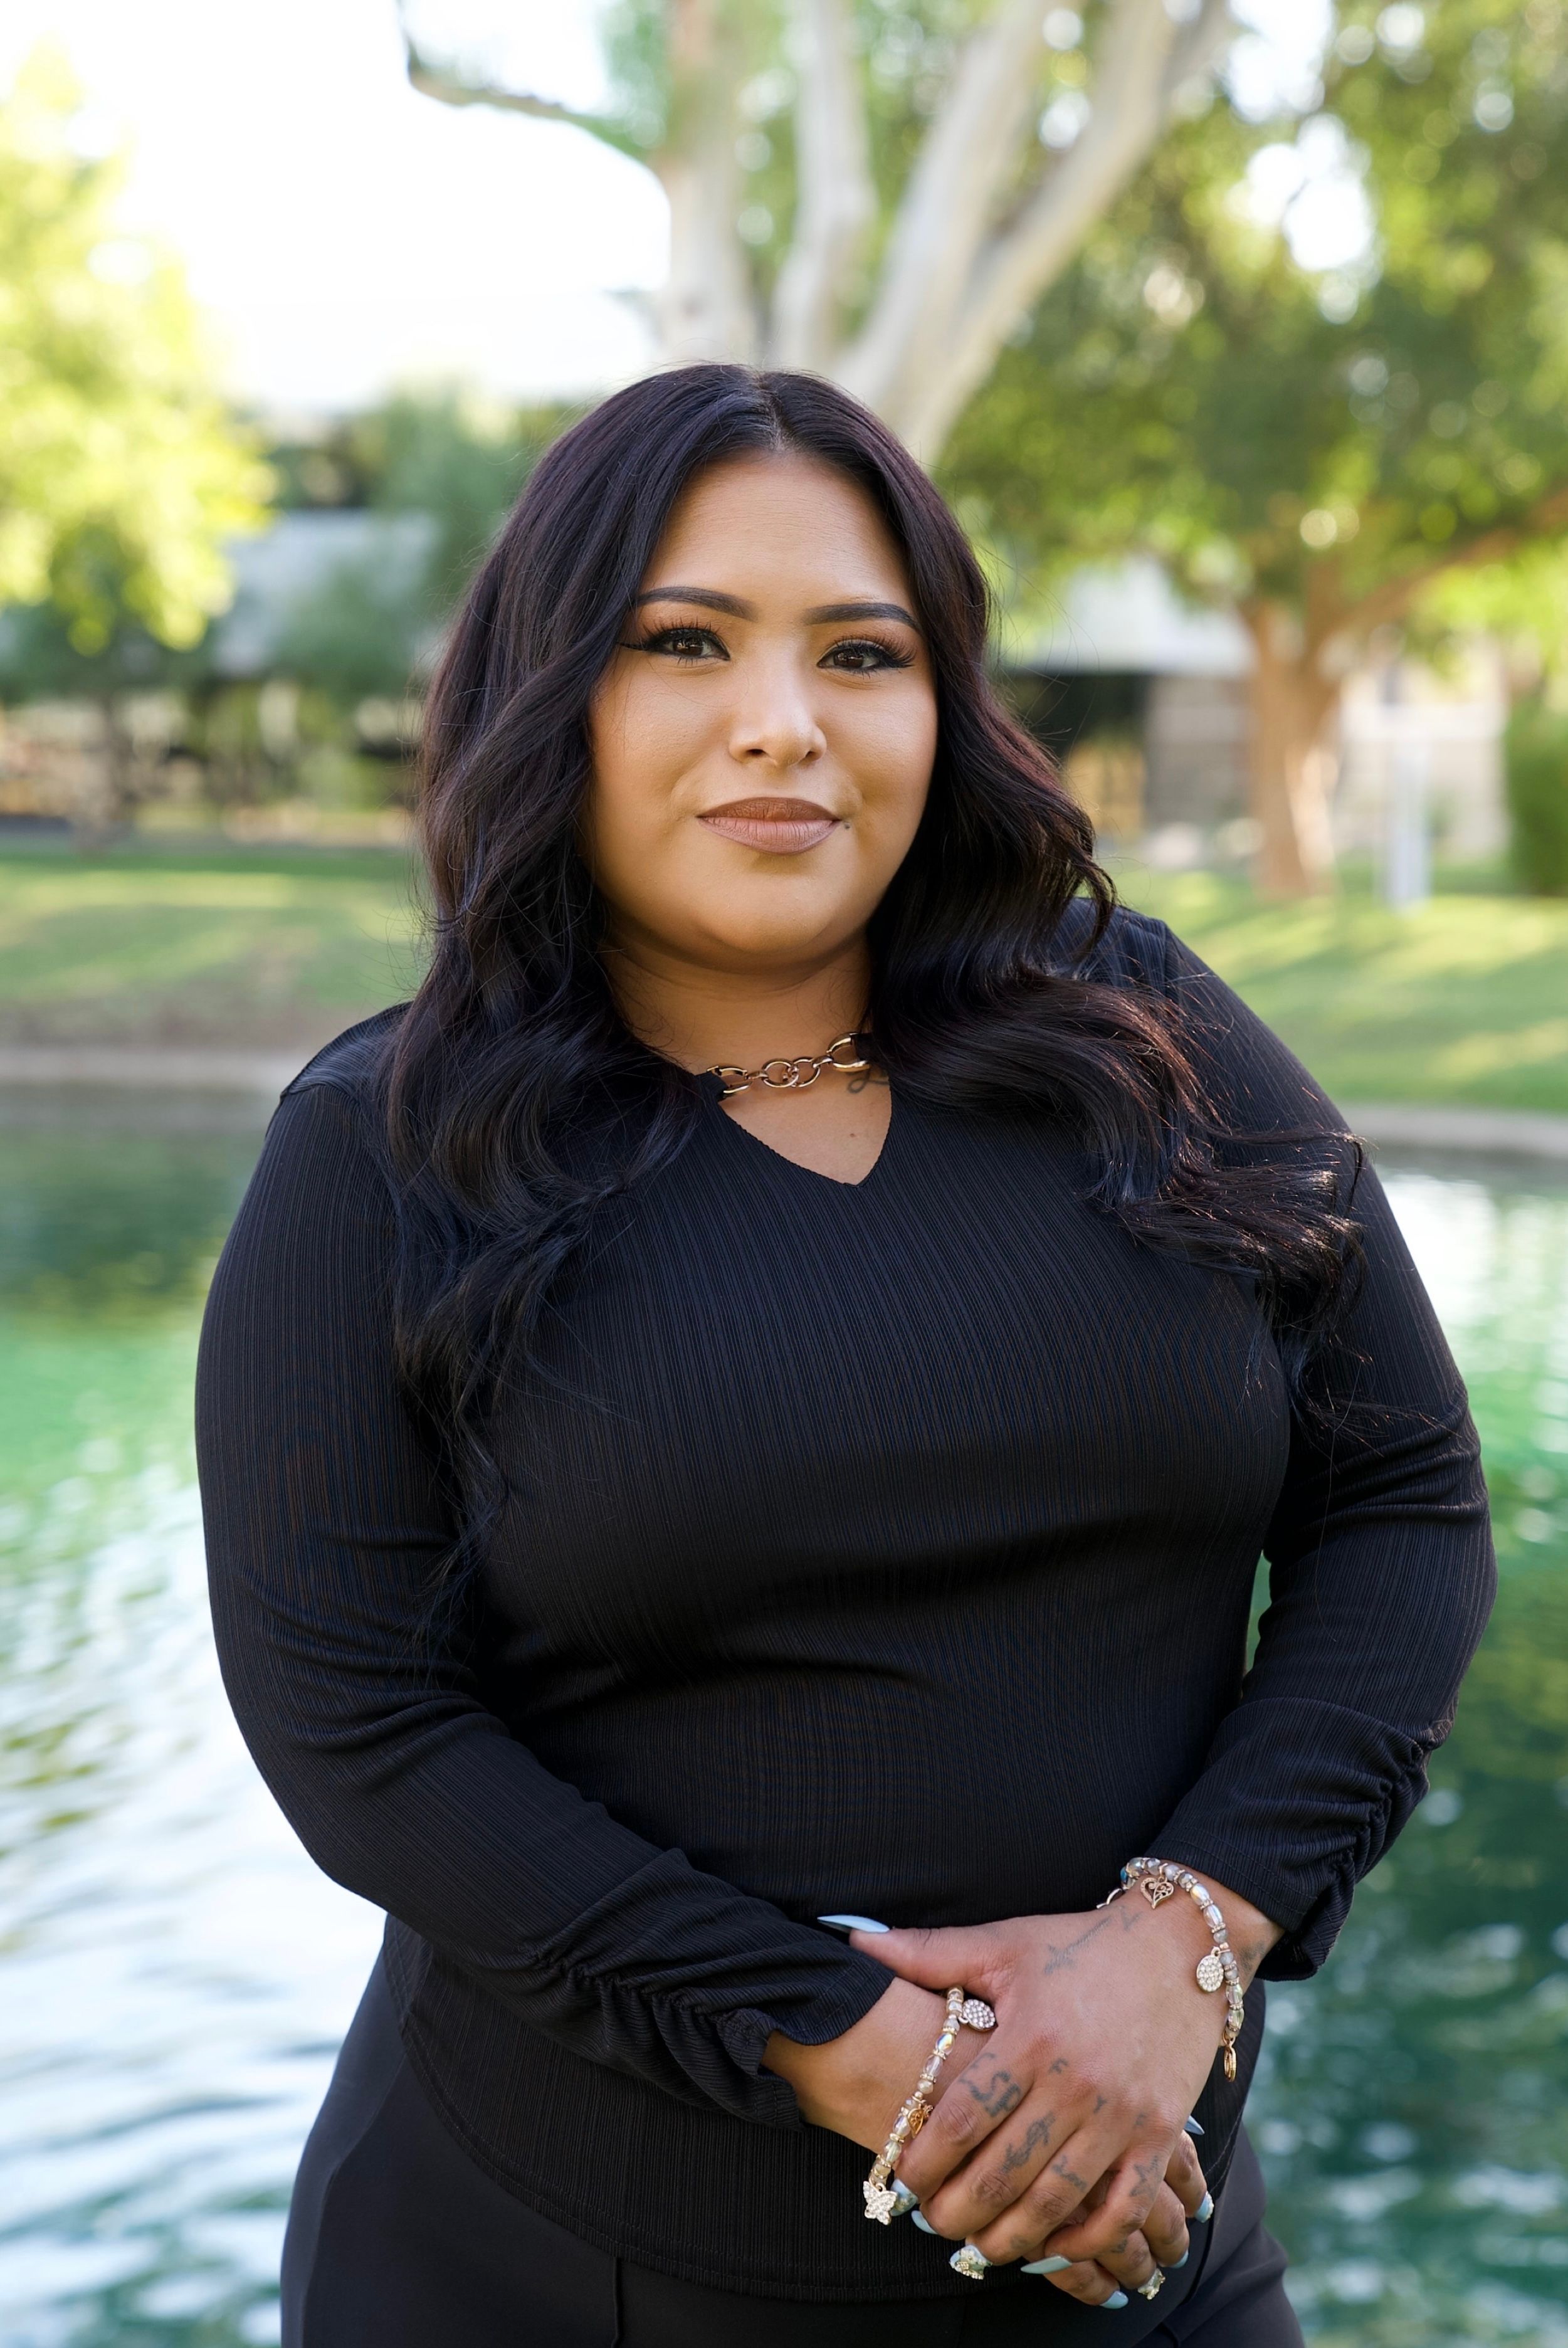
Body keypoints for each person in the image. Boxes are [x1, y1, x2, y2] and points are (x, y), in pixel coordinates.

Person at [196, 365, 1495, 2347]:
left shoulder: (1136, 1027)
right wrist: (862, 2048)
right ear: (557, 695)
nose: (781, 723)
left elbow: (1402, 1494)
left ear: (938, 705)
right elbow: (365, 1732)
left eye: (860, 652)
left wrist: (1187, 1939)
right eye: (684, 641)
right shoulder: (380, 1149)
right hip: (569, 2274)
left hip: (1145, 2246)